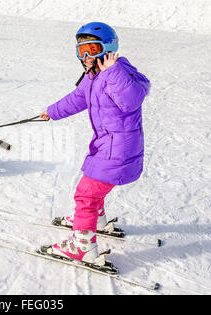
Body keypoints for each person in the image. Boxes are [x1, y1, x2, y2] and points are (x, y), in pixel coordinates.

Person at [39, 22, 150, 264]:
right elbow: (77, 98)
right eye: (82, 50)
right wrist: (52, 112)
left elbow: (131, 99)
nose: (87, 56)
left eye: (92, 48)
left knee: (86, 193)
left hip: (118, 151)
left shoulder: (121, 73)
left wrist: (111, 71)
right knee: (93, 188)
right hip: (106, 146)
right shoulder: (94, 75)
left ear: (108, 49)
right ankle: (95, 221)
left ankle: (83, 246)